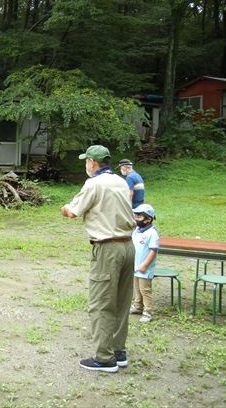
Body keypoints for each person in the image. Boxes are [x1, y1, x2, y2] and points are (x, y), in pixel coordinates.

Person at [60, 145, 135, 373]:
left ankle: (104, 358)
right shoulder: (121, 181)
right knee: (122, 301)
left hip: (107, 248)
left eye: (86, 161)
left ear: (92, 163)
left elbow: (73, 211)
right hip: (128, 246)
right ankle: (118, 350)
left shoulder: (94, 183)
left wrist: (64, 208)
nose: (85, 165)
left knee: (101, 302)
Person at [129, 203, 159, 323]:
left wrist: (145, 264)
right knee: (137, 288)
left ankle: (148, 311)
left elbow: (153, 251)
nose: (136, 219)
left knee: (145, 290)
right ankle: (138, 306)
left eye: (139, 217)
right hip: (135, 266)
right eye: (135, 216)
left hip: (144, 268)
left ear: (148, 219)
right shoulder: (137, 230)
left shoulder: (152, 233)